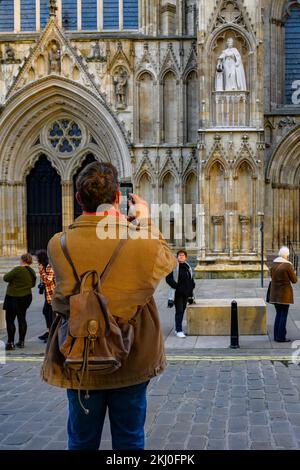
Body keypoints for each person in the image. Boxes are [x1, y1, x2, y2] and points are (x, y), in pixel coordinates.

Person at [41, 161, 176, 450]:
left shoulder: (58, 243)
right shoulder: (142, 241)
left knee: (81, 441)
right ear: (118, 198)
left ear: (78, 199)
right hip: (133, 355)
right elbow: (167, 259)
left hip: (81, 357)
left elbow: (62, 299)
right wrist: (145, 219)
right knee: (129, 440)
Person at [3, 253, 36, 350]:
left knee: (10, 320)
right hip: (26, 297)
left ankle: (10, 343)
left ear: (22, 259)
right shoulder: (32, 271)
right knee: (22, 318)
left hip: (13, 297)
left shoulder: (18, 269)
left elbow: (6, 278)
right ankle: (21, 342)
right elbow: (32, 284)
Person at [269, 246, 298, 343]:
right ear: (286, 255)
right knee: (283, 315)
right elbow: (294, 280)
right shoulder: (288, 265)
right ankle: (281, 337)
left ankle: (276, 335)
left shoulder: (273, 264)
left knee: (278, 314)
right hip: (284, 294)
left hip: (274, 294)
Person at [166, 250, 195, 338]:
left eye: (183, 255)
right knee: (179, 311)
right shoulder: (174, 266)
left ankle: (177, 329)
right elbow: (168, 279)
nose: (181, 256)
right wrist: (177, 286)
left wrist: (192, 287)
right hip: (177, 293)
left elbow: (190, 279)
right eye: (180, 255)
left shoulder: (187, 267)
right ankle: (179, 330)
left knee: (182, 311)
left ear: (185, 257)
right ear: (177, 257)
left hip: (186, 293)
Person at [36, 250, 55, 343]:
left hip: (53, 294)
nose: (36, 259)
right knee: (45, 312)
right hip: (48, 294)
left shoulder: (49, 266)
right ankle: (49, 331)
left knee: (51, 314)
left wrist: (41, 271)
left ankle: (52, 334)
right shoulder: (44, 266)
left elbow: (48, 280)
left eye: (37, 258)